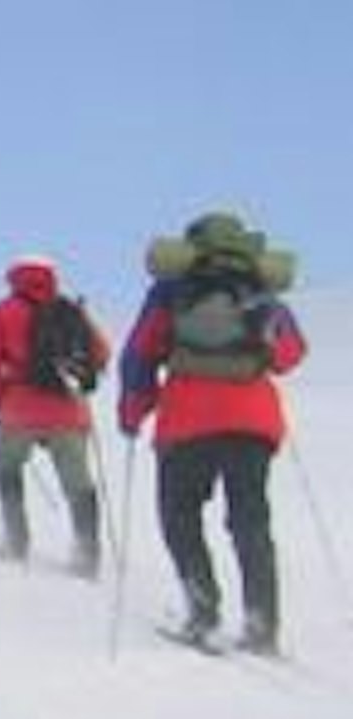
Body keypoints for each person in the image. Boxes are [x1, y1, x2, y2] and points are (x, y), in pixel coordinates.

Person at [119, 211, 307, 654]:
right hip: (252, 423)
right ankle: (262, 621)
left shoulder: (171, 289)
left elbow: (141, 353)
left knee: (180, 514)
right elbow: (290, 353)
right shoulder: (261, 290)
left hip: (187, 420)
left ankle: (202, 607)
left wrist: (133, 410)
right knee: (250, 521)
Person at [0, 255, 110, 578]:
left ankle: (16, 539)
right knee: (79, 484)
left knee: (6, 470)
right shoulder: (70, 310)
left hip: (20, 406)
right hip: (68, 409)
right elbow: (103, 353)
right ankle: (87, 552)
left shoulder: (5, 311)